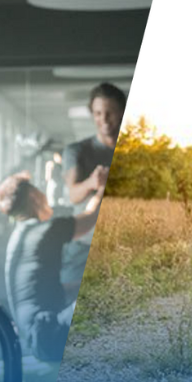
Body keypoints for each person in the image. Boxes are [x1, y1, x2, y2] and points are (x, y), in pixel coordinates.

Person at [0, 172, 104, 362]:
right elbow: (90, 218)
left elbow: (48, 291)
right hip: (49, 336)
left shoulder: (19, 237)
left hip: (38, 338)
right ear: (33, 197)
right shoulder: (45, 230)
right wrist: (103, 187)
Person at [60, 82, 125, 301]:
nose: (104, 119)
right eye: (98, 113)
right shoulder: (77, 151)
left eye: (110, 113)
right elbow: (73, 195)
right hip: (83, 248)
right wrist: (91, 183)